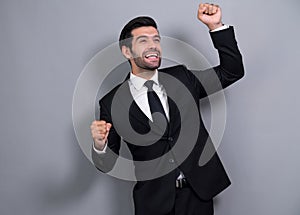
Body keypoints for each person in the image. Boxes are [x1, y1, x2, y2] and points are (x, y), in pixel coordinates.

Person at [90, 3, 244, 215]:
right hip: (153, 203)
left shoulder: (183, 78)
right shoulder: (111, 103)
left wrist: (215, 27)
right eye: (143, 41)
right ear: (127, 51)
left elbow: (232, 71)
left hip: (198, 196)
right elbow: (106, 164)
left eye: (156, 39)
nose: (153, 45)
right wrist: (100, 145)